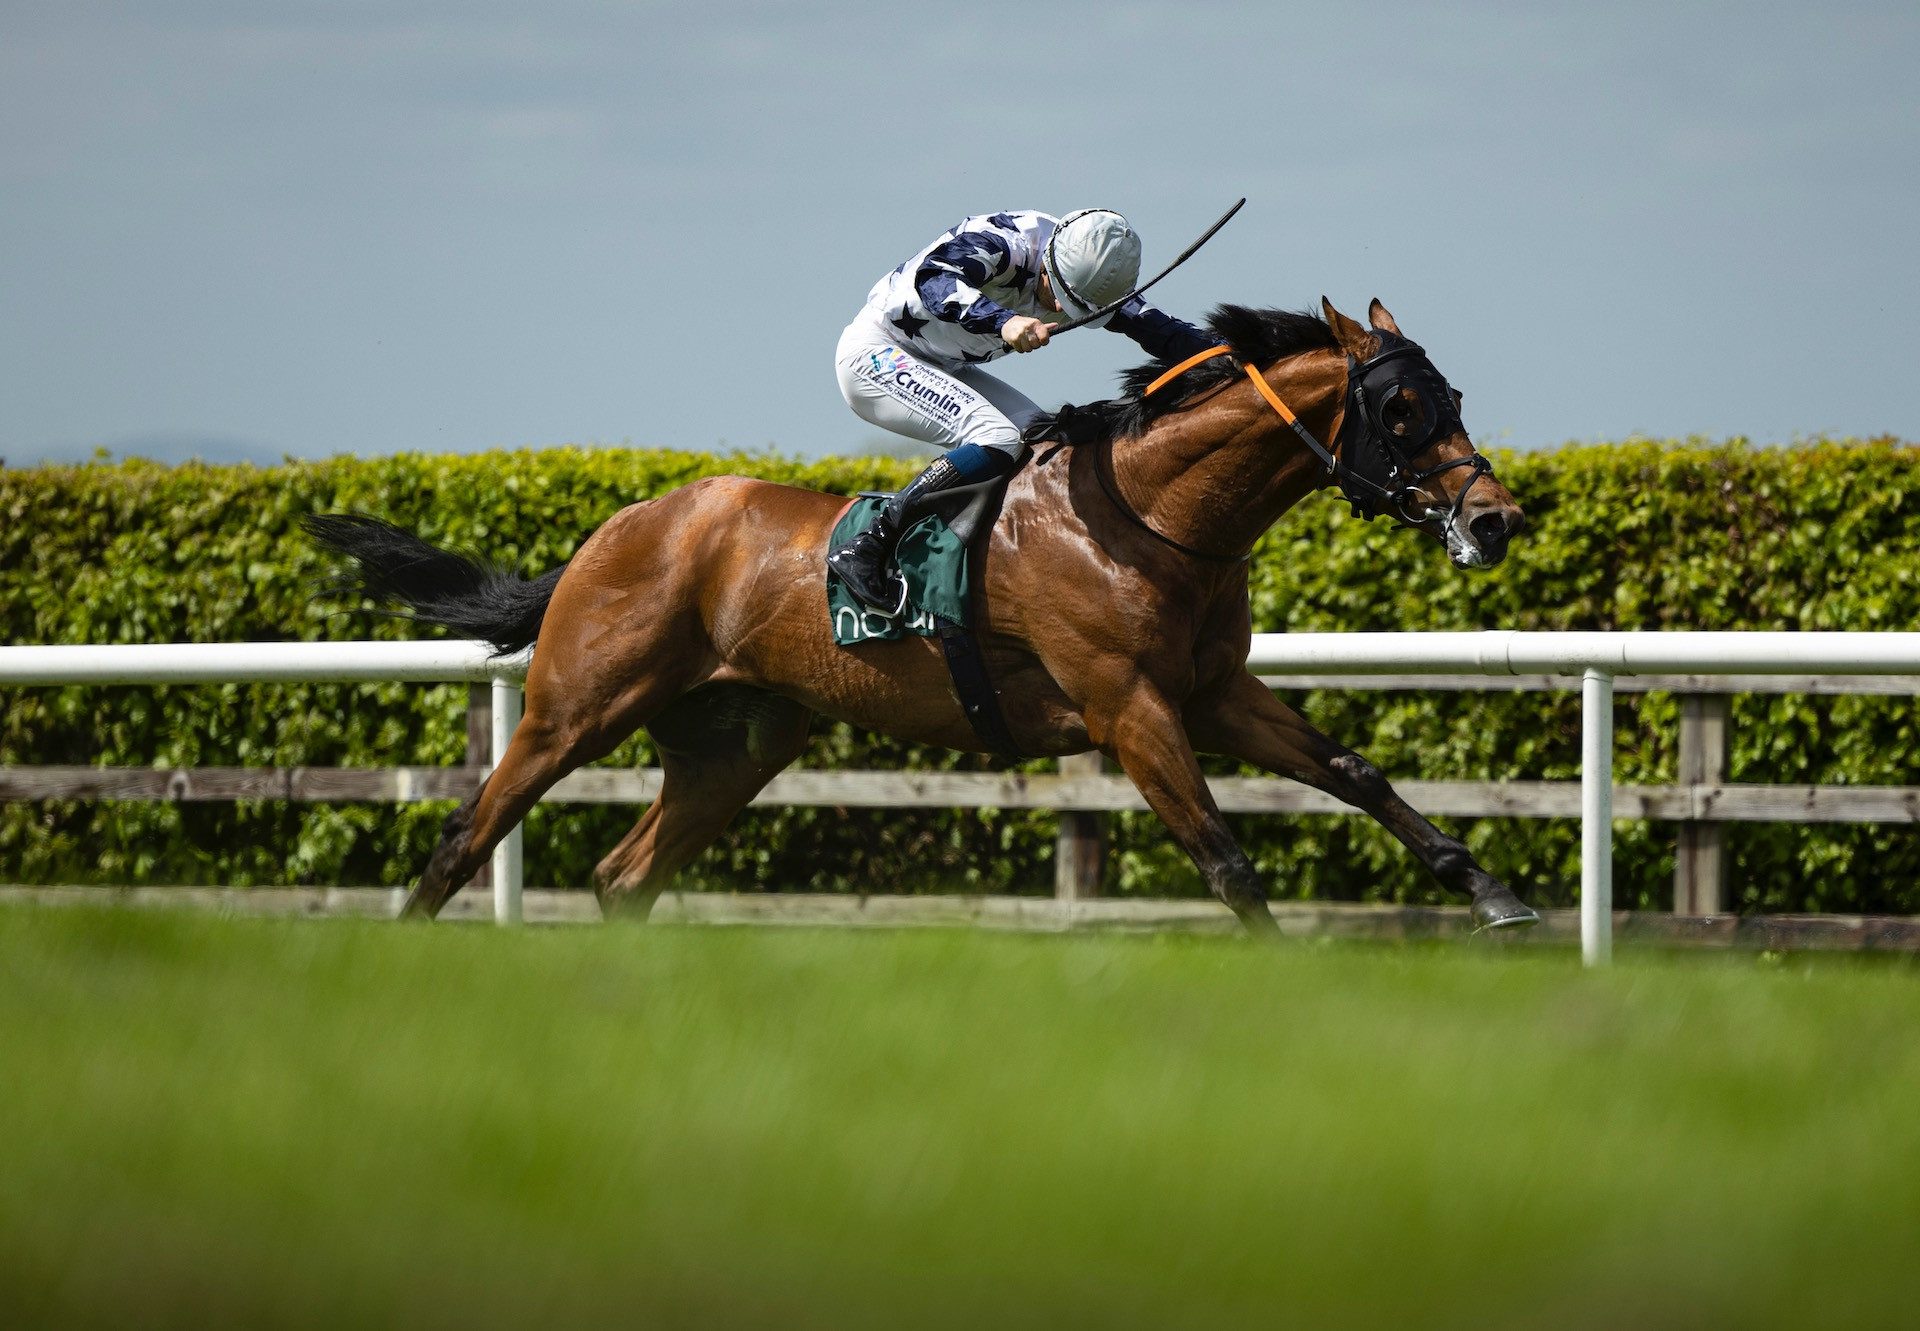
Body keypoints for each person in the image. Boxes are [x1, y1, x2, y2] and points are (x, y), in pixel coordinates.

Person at [827, 208, 1220, 614]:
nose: (1064, 311)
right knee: (996, 437)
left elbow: (1164, 331)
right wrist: (1003, 322)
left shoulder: (1092, 278)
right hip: (876, 353)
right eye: (1061, 298)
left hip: (943, 365)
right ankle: (868, 546)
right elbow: (934, 280)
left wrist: (1240, 354)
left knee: (1041, 442)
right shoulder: (1004, 243)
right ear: (1048, 261)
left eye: (1077, 308)